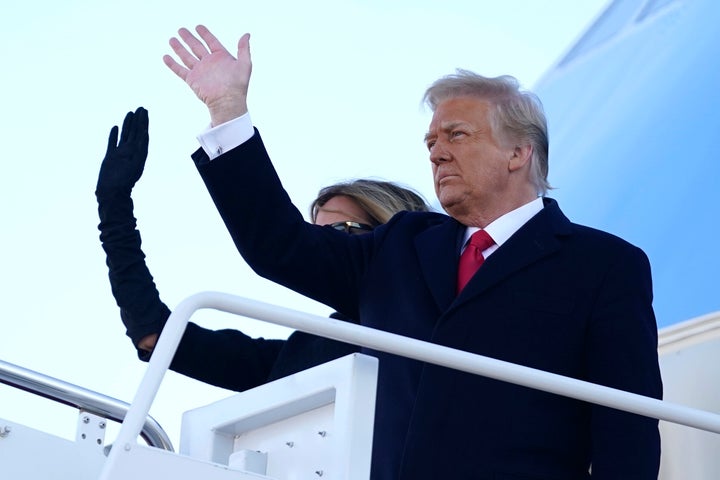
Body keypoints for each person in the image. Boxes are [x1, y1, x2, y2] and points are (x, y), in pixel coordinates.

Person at [160, 26, 662, 479]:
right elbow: (278, 246)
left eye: (457, 135)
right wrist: (228, 112)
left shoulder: (604, 266)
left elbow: (628, 435)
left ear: (519, 152)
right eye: (431, 142)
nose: (437, 152)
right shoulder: (398, 244)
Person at [95, 107, 431, 390]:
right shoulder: (301, 354)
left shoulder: (444, 317)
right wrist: (114, 208)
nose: (323, 245)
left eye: (343, 231)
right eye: (315, 233)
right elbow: (155, 334)